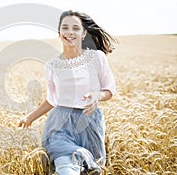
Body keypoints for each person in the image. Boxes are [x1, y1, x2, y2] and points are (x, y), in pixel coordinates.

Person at [18, 10, 117, 175]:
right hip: (59, 123)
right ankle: (74, 162)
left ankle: (84, 160)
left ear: (84, 33)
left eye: (75, 28)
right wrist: (29, 118)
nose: (70, 32)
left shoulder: (97, 57)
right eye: (65, 28)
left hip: (89, 123)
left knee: (87, 169)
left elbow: (109, 89)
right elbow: (52, 100)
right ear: (59, 33)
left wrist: (97, 95)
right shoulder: (52, 65)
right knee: (66, 168)